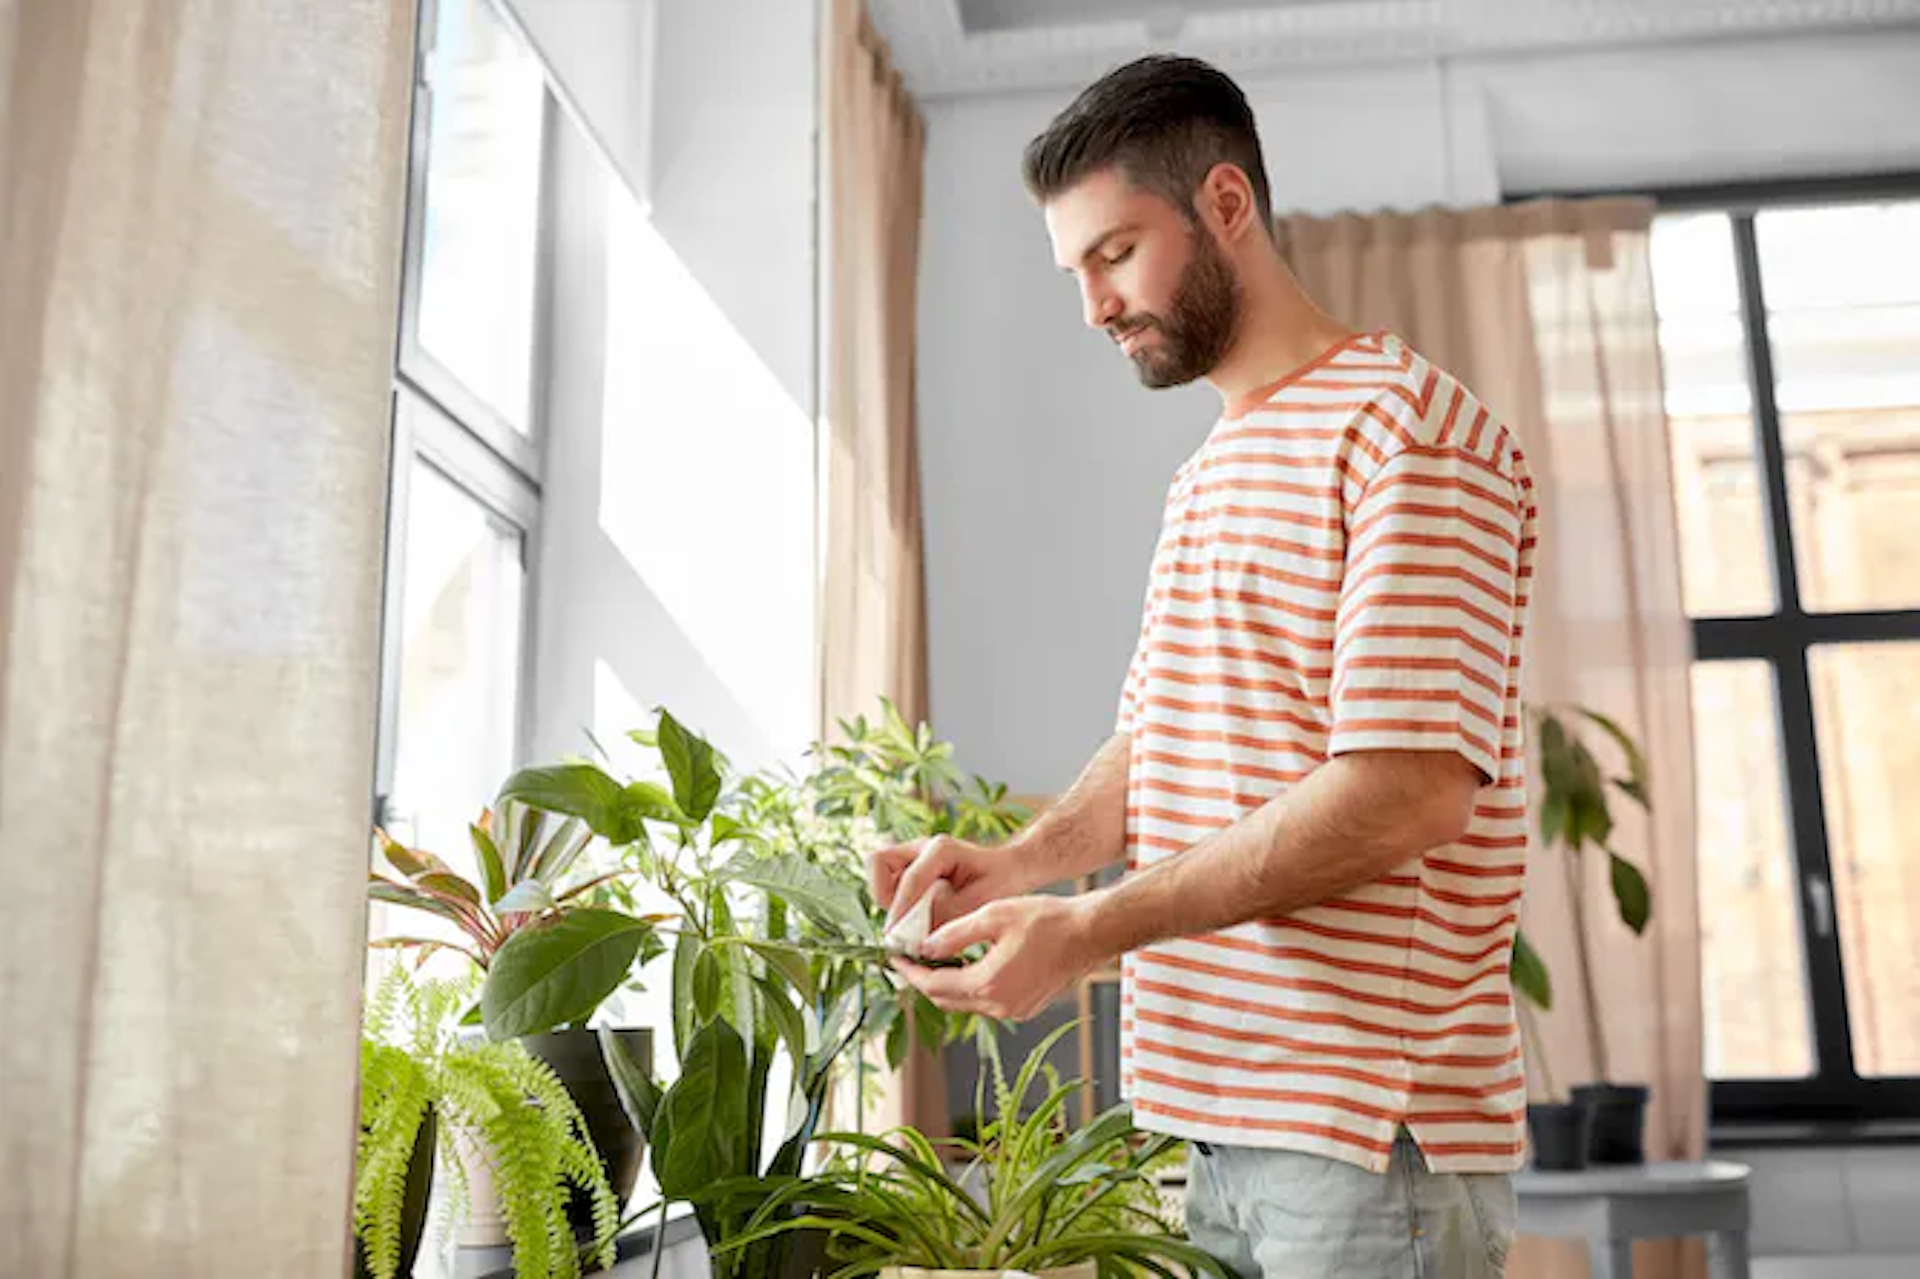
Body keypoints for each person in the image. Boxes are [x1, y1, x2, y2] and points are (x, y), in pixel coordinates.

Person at [874, 55, 1537, 1279]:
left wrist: (1087, 930)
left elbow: (1403, 791)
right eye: (1075, 270)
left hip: (1362, 1137)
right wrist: (1018, 865)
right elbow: (1161, 744)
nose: (1093, 306)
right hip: (1223, 1128)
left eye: (1115, 254)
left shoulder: (1412, 435)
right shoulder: (1211, 473)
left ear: (1226, 206)